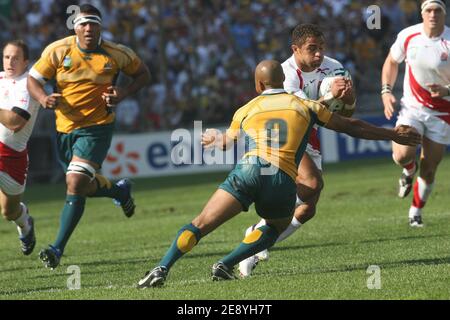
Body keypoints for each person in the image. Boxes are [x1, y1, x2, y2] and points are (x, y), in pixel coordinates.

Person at [136, 60, 420, 288]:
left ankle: (162, 267)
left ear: (258, 84)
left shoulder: (246, 108)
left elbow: (227, 141)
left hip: (248, 171)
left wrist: (213, 139)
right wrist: (392, 134)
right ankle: (225, 263)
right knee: (275, 226)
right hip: (281, 178)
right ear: (283, 82)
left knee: (200, 224)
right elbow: (353, 126)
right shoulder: (306, 106)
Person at [27, 4, 150, 269]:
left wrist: (124, 93)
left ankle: (57, 248)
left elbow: (143, 74)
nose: (88, 28)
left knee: (74, 182)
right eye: (83, 23)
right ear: (75, 26)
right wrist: (43, 98)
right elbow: (33, 80)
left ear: (100, 26)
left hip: (97, 127)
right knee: (79, 184)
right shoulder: (58, 50)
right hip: (64, 129)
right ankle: (119, 190)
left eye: (93, 23)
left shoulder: (116, 53)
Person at [239, 23, 356, 276]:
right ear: (295, 49)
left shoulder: (335, 68)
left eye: (321, 48)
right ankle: (259, 232)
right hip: (283, 134)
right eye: (312, 49)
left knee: (307, 208)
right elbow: (296, 111)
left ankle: (257, 238)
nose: (318, 54)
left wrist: (348, 99)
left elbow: (348, 113)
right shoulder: (283, 73)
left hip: (308, 133)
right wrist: (328, 98)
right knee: (313, 183)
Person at [381, 0, 450, 227]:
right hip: (412, 107)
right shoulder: (408, 36)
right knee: (402, 154)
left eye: (437, 10)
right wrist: (386, 91)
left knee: (430, 168)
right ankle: (408, 170)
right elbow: (391, 61)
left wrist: (446, 90)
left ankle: (415, 211)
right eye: (428, 10)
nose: (432, 14)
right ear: (421, 13)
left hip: (443, 113)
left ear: (444, 14)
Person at [0, 40, 40, 255]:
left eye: (16, 58)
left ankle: (25, 223)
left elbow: (15, 122)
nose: (10, 61)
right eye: (7, 57)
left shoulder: (28, 84)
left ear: (26, 61)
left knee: (9, 211)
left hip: (12, 157)